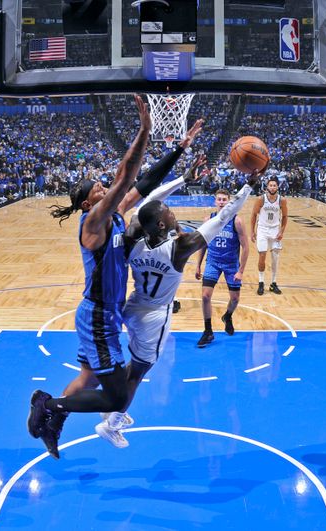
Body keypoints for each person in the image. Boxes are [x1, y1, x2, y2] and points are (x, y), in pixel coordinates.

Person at [27, 96, 203, 459]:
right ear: (88, 203)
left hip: (102, 313)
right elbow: (126, 175)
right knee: (118, 396)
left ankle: (52, 419)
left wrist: (180, 150)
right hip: (97, 317)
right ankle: (49, 406)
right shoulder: (93, 222)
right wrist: (144, 130)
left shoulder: (117, 214)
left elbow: (146, 179)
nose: (104, 187)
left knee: (88, 379)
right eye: (96, 188)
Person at [96, 163, 260, 448]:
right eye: (168, 213)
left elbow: (149, 202)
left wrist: (183, 179)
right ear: (161, 224)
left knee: (134, 366)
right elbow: (223, 217)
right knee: (139, 371)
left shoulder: (134, 237)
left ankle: (113, 404)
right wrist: (248, 187)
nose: (172, 212)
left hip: (132, 306)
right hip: (154, 318)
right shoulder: (178, 248)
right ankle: (113, 421)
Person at [194, 188, 251, 347]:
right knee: (205, 296)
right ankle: (208, 331)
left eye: (224, 199)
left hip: (231, 264)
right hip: (212, 262)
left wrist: (241, 271)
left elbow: (246, 247)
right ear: (215, 201)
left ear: (229, 202)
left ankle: (227, 316)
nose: (221, 202)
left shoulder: (237, 221)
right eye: (218, 199)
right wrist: (198, 265)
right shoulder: (209, 220)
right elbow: (202, 244)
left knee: (235, 299)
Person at [250, 177, 288, 295]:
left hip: (275, 230)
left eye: (274, 185)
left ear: (277, 187)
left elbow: (285, 216)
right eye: (270, 185)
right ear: (267, 187)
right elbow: (253, 215)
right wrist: (252, 231)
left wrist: (281, 231)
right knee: (262, 255)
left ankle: (273, 283)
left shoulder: (282, 200)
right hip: (262, 230)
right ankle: (261, 282)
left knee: (275, 258)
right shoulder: (261, 199)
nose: (272, 187)